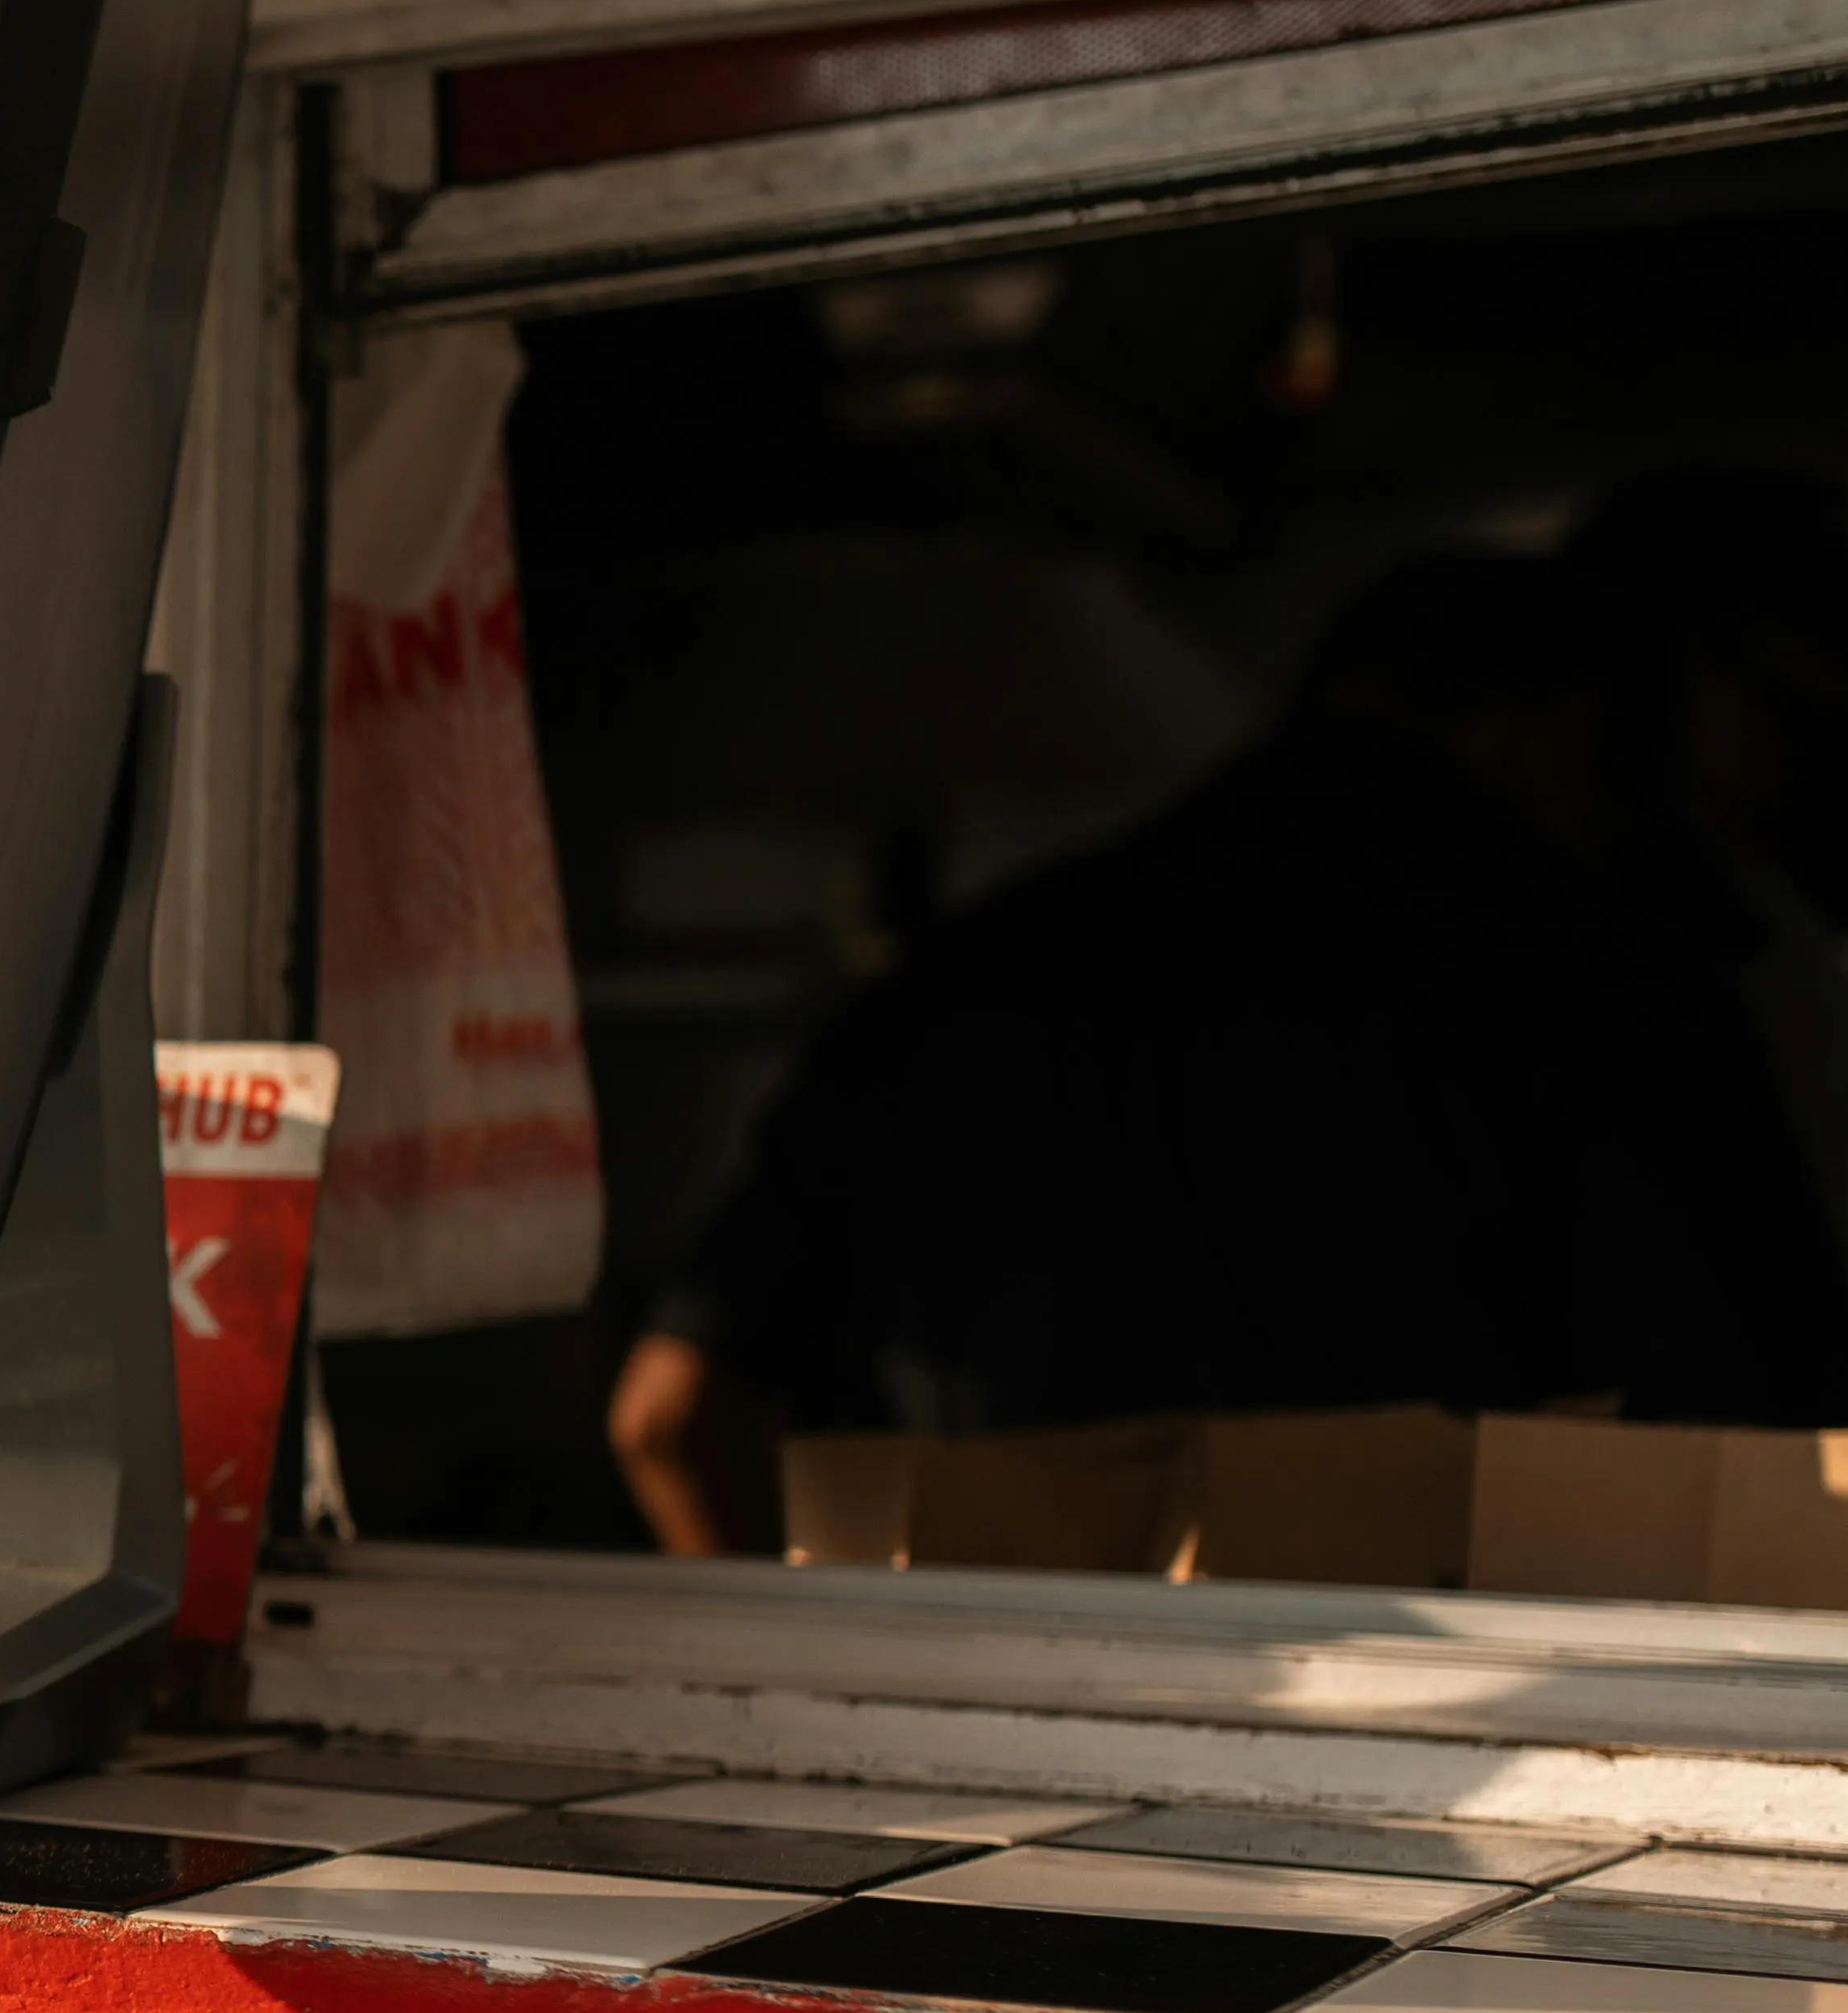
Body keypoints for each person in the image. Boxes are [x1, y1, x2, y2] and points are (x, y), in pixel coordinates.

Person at [605, 537, 1848, 1556]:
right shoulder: (1612, 993)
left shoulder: (965, 977)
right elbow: (1782, 1480)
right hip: (1490, 1781)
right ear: (1549, 738)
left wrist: (820, 1700)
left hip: (1013, 1772)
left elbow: (672, 1420)